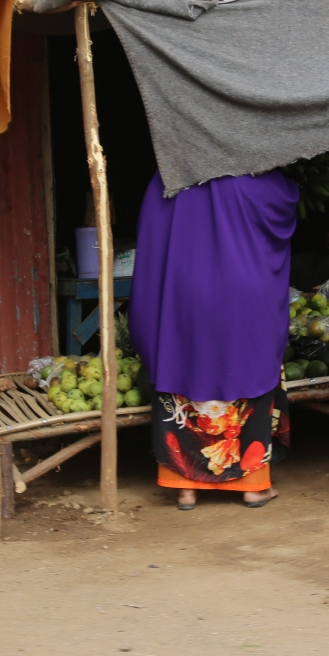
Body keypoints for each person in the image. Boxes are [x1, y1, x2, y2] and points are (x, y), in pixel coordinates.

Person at [129, 170, 300, 509]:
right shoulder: (253, 176)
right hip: (245, 294)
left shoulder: (167, 176)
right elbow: (284, 204)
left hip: (184, 294)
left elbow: (149, 245)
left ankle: (186, 486)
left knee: (183, 363)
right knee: (250, 366)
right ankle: (252, 485)